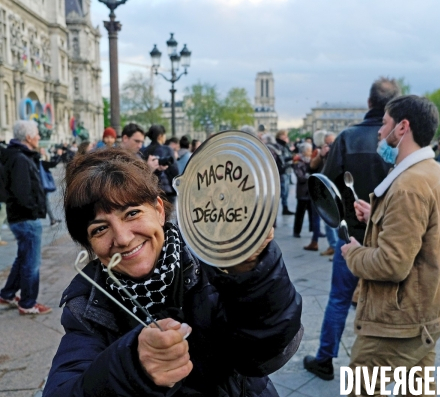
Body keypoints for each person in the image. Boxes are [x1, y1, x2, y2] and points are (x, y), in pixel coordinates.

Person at [42, 148, 303, 397]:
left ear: (158, 209)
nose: (122, 238)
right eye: (99, 229)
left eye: (132, 213)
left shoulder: (211, 264)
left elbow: (268, 353)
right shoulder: (88, 307)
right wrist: (132, 368)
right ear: (90, 246)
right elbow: (63, 388)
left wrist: (253, 274)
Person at [341, 95, 440, 395]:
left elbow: (392, 263)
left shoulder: (408, 185)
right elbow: (423, 234)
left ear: (403, 127)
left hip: (400, 321)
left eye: (385, 123)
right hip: (427, 310)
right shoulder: (434, 172)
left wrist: (354, 254)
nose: (380, 132)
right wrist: (376, 218)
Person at [303, 77, 397, 380]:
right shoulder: (398, 142)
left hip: (351, 234)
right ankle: (378, 364)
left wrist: (342, 222)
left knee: (340, 298)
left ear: (369, 103)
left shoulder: (347, 137)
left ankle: (325, 358)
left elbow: (328, 189)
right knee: (382, 300)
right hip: (387, 236)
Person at [0, 120, 51, 315]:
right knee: (31, 262)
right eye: (37, 133)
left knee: (23, 258)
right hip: (25, 218)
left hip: (19, 217)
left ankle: (8, 293)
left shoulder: (18, 155)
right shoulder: (20, 159)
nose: (39, 136)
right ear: (29, 137)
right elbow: (22, 193)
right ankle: (28, 303)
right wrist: (34, 210)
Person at [310, 132, 338, 257]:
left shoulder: (340, 150)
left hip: (336, 187)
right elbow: (312, 165)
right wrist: (322, 155)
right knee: (326, 217)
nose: (330, 145)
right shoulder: (320, 152)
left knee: (335, 218)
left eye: (333, 143)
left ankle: (336, 246)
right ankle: (332, 245)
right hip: (322, 187)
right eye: (328, 143)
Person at [143, 125, 179, 204]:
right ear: (160, 136)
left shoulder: (144, 151)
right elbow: (175, 171)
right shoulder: (167, 150)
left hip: (151, 190)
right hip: (168, 192)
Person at [292, 143, 318, 243]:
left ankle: (315, 230)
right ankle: (296, 231)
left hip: (310, 191)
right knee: (300, 212)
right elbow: (300, 177)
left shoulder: (311, 160)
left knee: (313, 212)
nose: (310, 152)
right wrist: (310, 176)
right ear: (303, 151)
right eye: (309, 150)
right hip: (303, 192)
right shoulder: (298, 161)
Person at [275, 130, 295, 216]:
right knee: (282, 191)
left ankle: (285, 207)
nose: (286, 138)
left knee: (285, 191)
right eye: (284, 136)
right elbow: (282, 158)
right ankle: (281, 209)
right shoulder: (279, 146)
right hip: (282, 171)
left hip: (286, 171)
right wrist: (291, 158)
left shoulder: (285, 146)